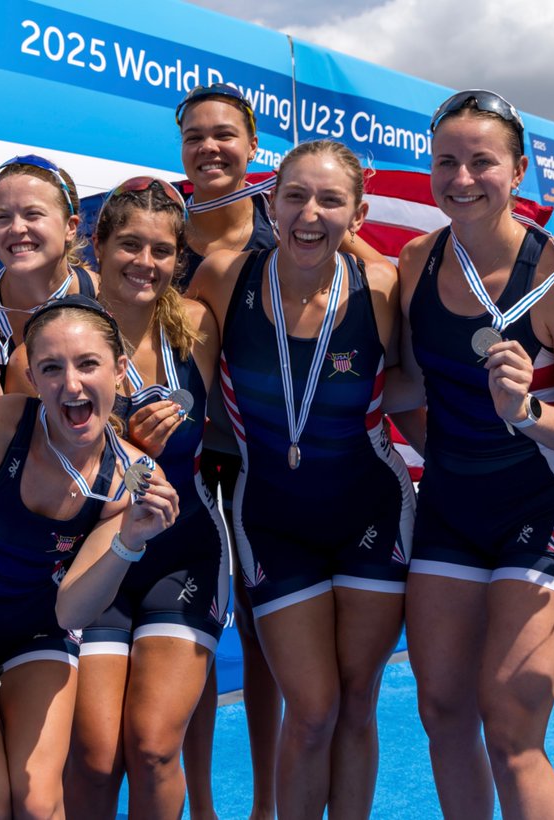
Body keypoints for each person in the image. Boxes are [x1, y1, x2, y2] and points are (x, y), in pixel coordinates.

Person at [392, 90, 554, 818]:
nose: (462, 178)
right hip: (452, 507)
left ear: (517, 170)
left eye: (482, 162)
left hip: (543, 504)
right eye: (446, 162)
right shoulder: (417, 261)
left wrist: (527, 412)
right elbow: (415, 387)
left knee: (512, 722)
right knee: (443, 710)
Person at [189, 138, 415, 817]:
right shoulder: (224, 277)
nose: (309, 214)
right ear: (270, 202)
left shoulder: (380, 289)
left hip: (372, 512)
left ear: (358, 211)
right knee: (312, 709)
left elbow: (417, 383)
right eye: (295, 196)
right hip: (272, 518)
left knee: (355, 701)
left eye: (330, 200)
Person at [0, 295, 180, 817]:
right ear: (31, 376)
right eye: (51, 368)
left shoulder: (132, 479)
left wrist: (130, 541)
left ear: (121, 371)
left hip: (38, 633)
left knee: (37, 801)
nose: (71, 385)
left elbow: (71, 613)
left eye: (88, 364)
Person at [11, 178, 226, 819]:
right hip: (92, 560)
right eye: (130, 244)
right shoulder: (52, 340)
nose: (146, 262)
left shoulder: (195, 328)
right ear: (95, 246)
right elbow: (21, 457)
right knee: (97, 758)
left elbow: (217, 427)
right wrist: (118, 440)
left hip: (184, 556)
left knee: (156, 748)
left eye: (163, 250)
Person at [175, 81, 280, 819]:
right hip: (181, 458)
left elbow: (375, 283)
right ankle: (204, 805)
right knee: (194, 631)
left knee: (266, 627)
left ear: (251, 146)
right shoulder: (162, 236)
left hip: (262, 457)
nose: (209, 147)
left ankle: (268, 803)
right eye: (195, 137)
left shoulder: (290, 229)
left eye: (224, 134)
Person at [0, 154, 98, 383]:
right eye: (2, 217)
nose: (16, 228)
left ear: (70, 227)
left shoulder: (103, 297)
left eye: (32, 214)